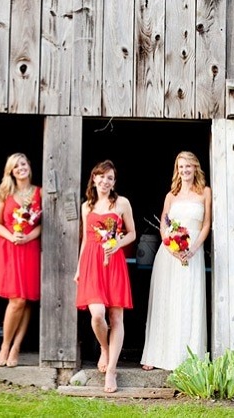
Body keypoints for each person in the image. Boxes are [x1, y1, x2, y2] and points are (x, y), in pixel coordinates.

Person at [140, 151, 211, 371]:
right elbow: (164, 223)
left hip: (193, 253)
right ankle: (156, 354)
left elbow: (207, 224)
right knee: (166, 301)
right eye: (180, 167)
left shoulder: (205, 193)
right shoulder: (171, 195)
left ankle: (187, 356)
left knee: (188, 300)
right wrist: (171, 246)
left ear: (195, 168)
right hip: (170, 253)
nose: (184, 171)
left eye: (188, 166)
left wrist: (193, 249)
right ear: (177, 170)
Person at [74, 159, 136, 393]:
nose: (105, 181)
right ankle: (105, 348)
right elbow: (84, 241)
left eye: (110, 178)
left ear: (114, 182)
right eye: (101, 176)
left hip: (114, 262)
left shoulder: (122, 203)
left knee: (116, 317)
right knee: (98, 315)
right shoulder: (86, 206)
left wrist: (118, 243)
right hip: (91, 263)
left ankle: (111, 371)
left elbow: (132, 233)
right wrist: (79, 268)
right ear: (94, 178)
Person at [0, 153, 42, 368]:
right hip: (8, 248)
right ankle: (5, 346)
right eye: (16, 166)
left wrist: (29, 236)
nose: (20, 168)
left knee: (26, 300)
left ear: (29, 166)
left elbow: (45, 223)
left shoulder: (39, 193)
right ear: (10, 171)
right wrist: (13, 236)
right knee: (16, 299)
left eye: (23, 164)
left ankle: (16, 347)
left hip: (30, 247)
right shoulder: (4, 194)